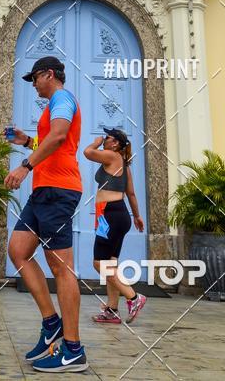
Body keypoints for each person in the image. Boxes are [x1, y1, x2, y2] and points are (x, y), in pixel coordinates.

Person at [4, 56, 88, 373]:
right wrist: (25, 141)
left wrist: (25, 166)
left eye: (35, 79)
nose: (34, 84)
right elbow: (51, 141)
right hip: (44, 191)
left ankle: (74, 350)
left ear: (48, 74)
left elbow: (59, 137)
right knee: (19, 251)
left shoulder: (62, 99)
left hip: (59, 191)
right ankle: (52, 322)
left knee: (61, 267)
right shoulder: (53, 104)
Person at [84, 127, 147, 324]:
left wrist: (95, 142)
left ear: (116, 143)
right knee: (110, 264)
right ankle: (112, 310)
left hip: (110, 215)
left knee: (99, 264)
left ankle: (134, 297)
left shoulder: (111, 156)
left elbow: (87, 152)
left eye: (108, 137)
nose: (105, 139)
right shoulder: (125, 166)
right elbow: (132, 194)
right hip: (119, 215)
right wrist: (137, 217)